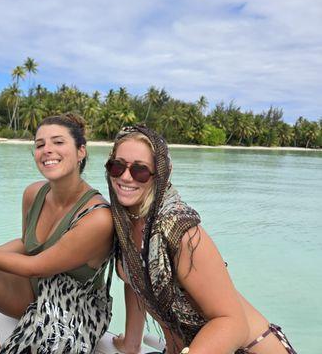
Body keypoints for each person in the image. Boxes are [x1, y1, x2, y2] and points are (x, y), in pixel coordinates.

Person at [106, 125, 297, 354]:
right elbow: (135, 282)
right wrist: (131, 344)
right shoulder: (125, 225)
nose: (125, 176)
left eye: (140, 171)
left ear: (160, 175)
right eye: (117, 166)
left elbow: (232, 321)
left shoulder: (179, 231)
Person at [0, 113, 114, 353]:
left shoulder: (97, 217)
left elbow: (36, 265)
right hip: (34, 289)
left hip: (73, 305)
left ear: (81, 152)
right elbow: (26, 244)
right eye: (40, 144)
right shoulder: (34, 193)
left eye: (58, 142)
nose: (47, 150)